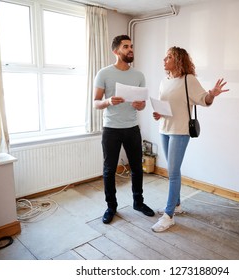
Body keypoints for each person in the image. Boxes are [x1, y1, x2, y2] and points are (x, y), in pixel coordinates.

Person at [151, 46, 229, 232]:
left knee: (173, 171)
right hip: (164, 129)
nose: (164, 60)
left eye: (169, 57)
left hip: (180, 131)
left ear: (178, 60)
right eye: (165, 56)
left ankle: (169, 215)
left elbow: (204, 100)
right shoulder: (164, 81)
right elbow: (166, 106)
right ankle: (176, 205)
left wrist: (212, 94)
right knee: (172, 171)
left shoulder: (189, 80)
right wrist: (158, 114)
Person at [94, 35, 155, 224]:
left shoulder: (139, 75)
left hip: (132, 128)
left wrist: (140, 106)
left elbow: (142, 104)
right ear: (116, 51)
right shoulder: (103, 73)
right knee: (109, 170)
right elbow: (96, 103)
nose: (130, 49)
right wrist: (108, 101)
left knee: (137, 168)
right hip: (111, 129)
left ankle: (138, 202)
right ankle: (111, 207)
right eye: (126, 46)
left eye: (131, 46)